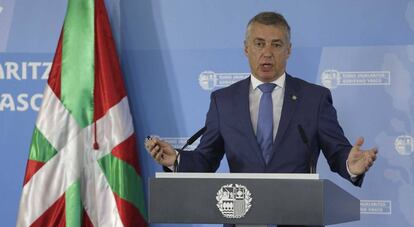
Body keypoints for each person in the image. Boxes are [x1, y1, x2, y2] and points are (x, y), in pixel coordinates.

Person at [145, 11, 377, 227]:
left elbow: (337, 152)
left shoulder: (314, 98)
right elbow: (206, 159)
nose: (267, 52)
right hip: (242, 218)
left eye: (276, 45)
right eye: (259, 44)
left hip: (298, 217)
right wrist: (175, 159)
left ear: (289, 50)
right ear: (246, 49)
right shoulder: (223, 101)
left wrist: (351, 165)